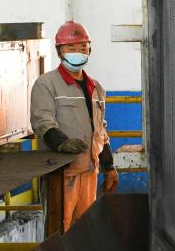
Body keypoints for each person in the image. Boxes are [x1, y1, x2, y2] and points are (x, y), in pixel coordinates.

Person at [30, 21, 118, 230]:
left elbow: (100, 129)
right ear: (59, 52)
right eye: (71, 48)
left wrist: (109, 166)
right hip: (60, 175)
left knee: (85, 232)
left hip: (89, 173)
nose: (78, 52)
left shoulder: (96, 88)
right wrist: (62, 143)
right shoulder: (46, 84)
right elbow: (42, 122)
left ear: (89, 50)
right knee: (59, 232)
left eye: (83, 47)